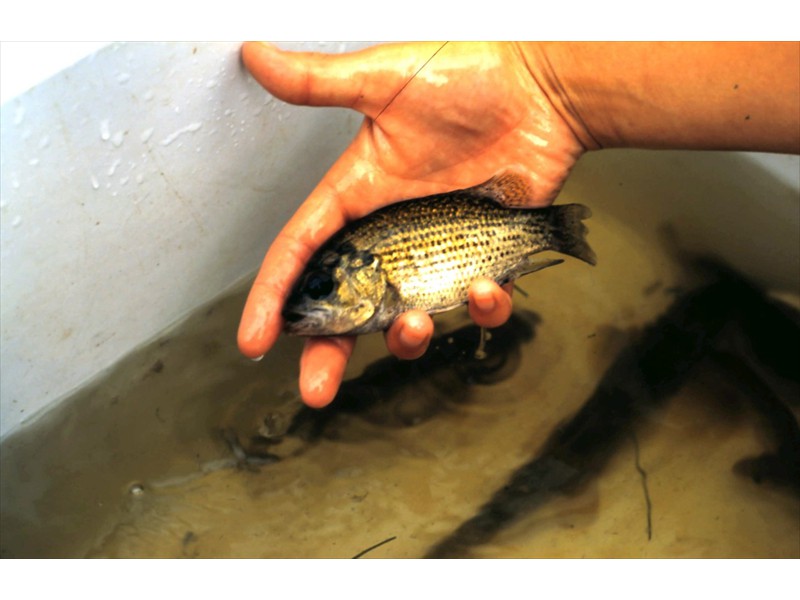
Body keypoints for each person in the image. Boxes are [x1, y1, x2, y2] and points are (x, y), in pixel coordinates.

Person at [236, 41, 800, 408]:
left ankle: (550, 230)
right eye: (322, 292)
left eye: (324, 290)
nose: (316, 306)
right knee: (463, 308)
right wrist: (548, 83)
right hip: (496, 217)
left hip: (499, 224)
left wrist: (549, 83)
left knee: (465, 307)